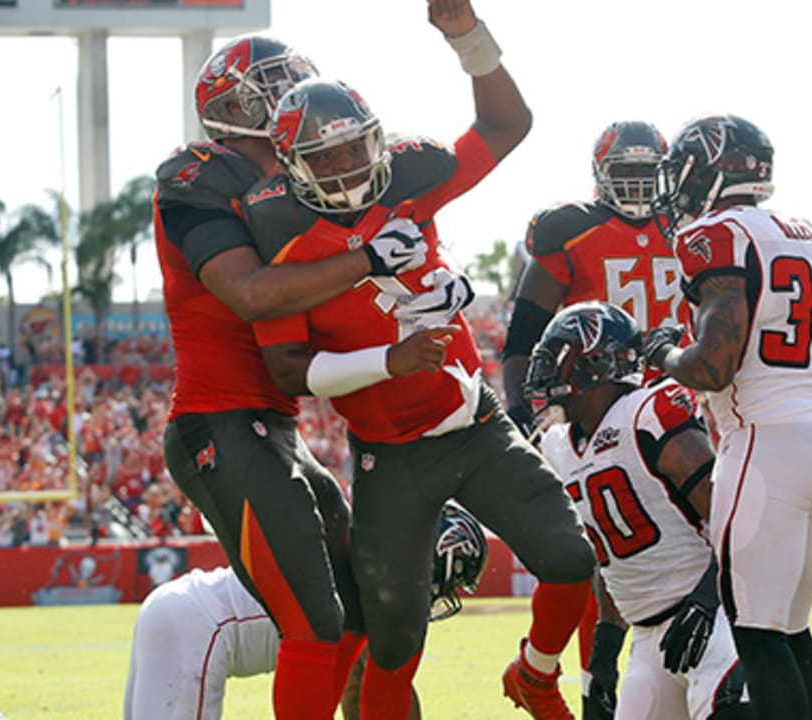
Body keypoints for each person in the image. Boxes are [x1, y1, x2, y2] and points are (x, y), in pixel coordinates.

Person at [243, 2, 596, 718]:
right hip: (390, 454)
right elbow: (288, 370)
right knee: (396, 641)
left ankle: (535, 671)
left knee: (570, 559)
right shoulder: (282, 243)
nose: (345, 167)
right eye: (326, 156)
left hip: (476, 425)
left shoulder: (409, 174)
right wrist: (389, 359)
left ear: (378, 141)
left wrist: (466, 36)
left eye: (354, 148)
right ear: (293, 167)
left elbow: (506, 126)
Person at [154, 33, 434, 720]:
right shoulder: (200, 175)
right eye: (276, 80)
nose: (294, 88)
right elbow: (250, 293)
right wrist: (370, 259)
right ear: (230, 105)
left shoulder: (301, 185)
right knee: (313, 623)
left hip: (276, 427)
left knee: (366, 611)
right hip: (218, 424)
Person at [645, 114, 812, 720]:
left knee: (758, 634)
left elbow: (713, 366)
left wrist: (661, 350)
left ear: (709, 170)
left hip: (765, 445)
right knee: (791, 630)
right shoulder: (806, 235)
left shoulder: (715, 236)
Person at [501, 122, 676, 718]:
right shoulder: (569, 232)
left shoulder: (689, 228)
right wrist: (525, 415)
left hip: (678, 410)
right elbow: (523, 338)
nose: (637, 187)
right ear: (601, 178)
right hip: (601, 414)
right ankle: (592, 679)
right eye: (624, 175)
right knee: (599, 550)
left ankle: (697, 675)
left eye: (647, 174)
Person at [526, 302, 752, 720]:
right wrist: (607, 647)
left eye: (560, 360)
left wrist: (706, 601)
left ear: (596, 363)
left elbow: (732, 520)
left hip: (711, 617)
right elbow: (610, 551)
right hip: (648, 643)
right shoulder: (561, 446)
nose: (547, 376)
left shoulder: (649, 414)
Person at [123, 504, 487, 720]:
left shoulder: (366, 559)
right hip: (201, 626)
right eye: (446, 579)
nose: (440, 593)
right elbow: (371, 696)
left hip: (179, 610)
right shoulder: (373, 591)